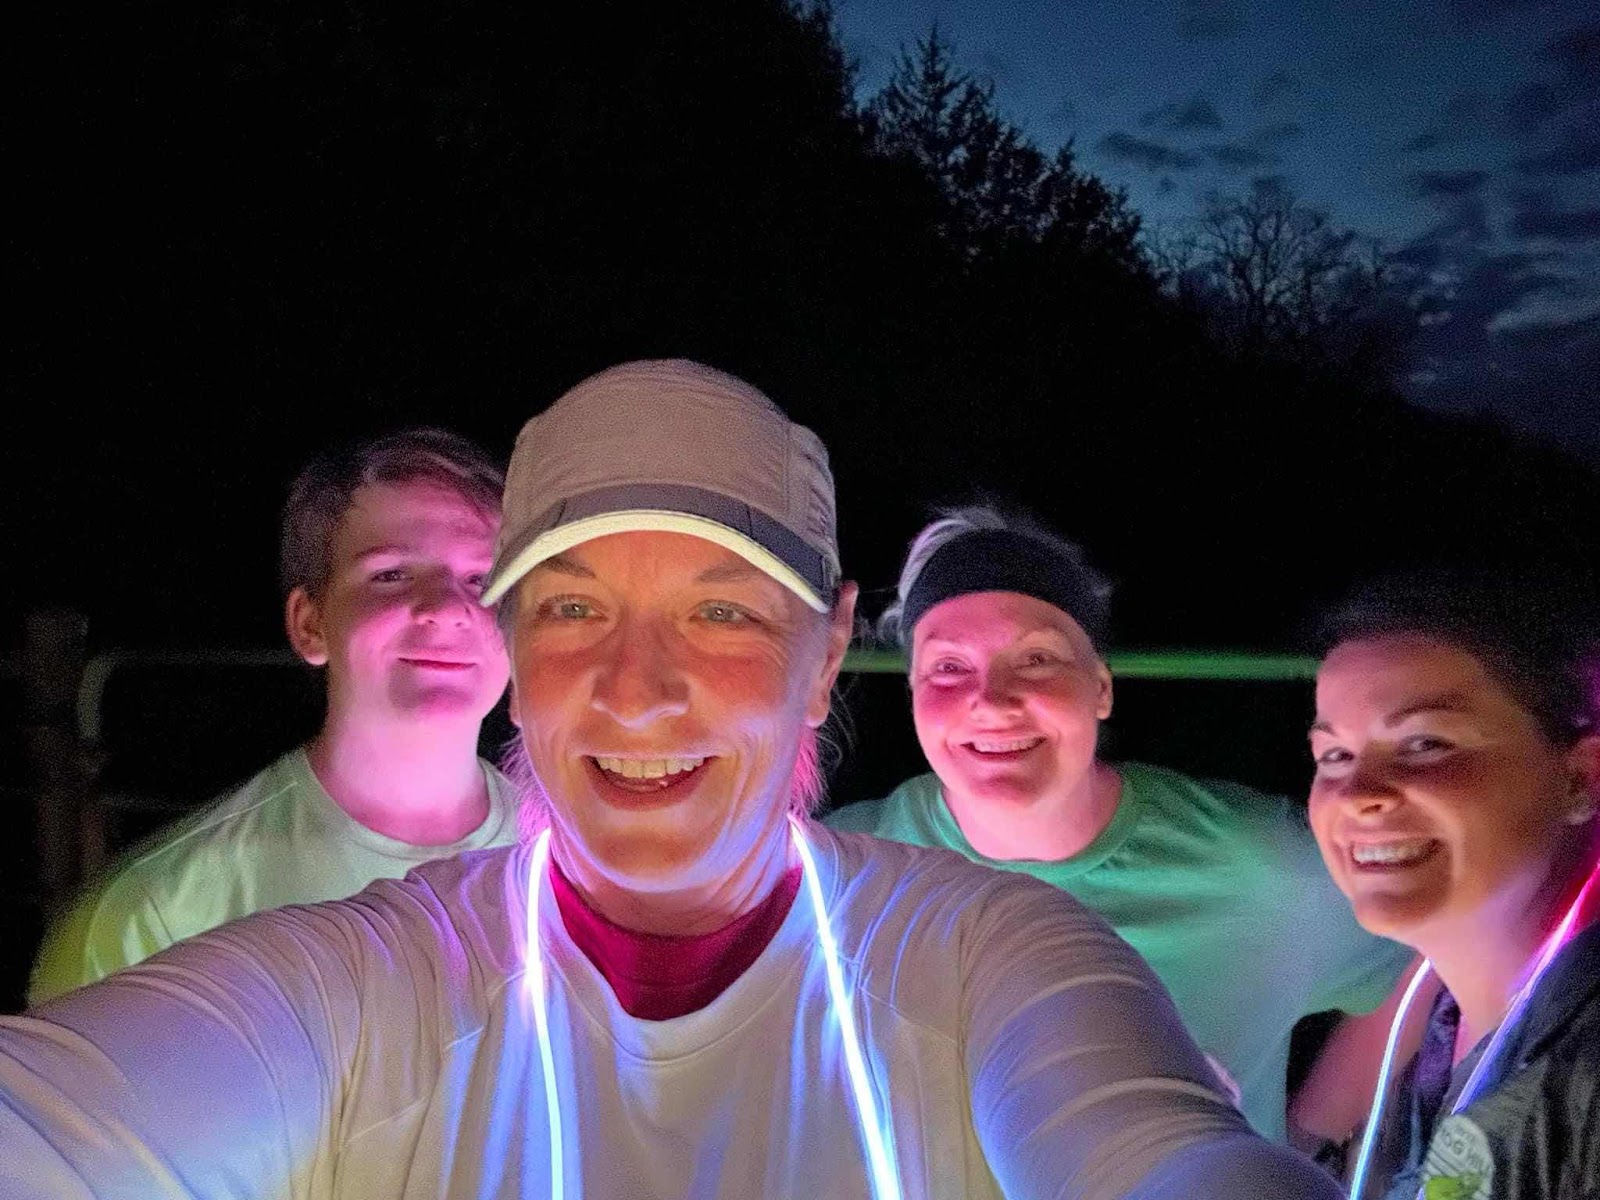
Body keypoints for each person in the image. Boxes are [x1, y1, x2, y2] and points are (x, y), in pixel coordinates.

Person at [0, 360, 1342, 1198]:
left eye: (720, 611)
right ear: (516, 656)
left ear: (827, 655)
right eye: (574, 609)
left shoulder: (993, 956)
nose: (635, 689)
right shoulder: (354, 984)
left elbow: (1151, 1147)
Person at [827, 505, 1413, 1142]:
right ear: (914, 693)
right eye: (948, 667)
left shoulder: (1266, 874)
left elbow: (1417, 954)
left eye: (1037, 659)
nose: (991, 700)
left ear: (1101, 689)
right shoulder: (835, 877)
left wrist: (1311, 1134)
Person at [27, 428, 519, 1004]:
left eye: (482, 580)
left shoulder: (575, 864)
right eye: (391, 574)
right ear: (310, 624)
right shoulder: (152, 920)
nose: (447, 608)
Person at [1308, 570, 1600, 1199]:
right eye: (1334, 756)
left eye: (1424, 743)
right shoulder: (1439, 1028)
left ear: (1581, 779)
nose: (1358, 794)